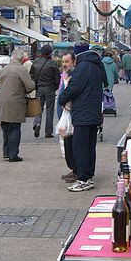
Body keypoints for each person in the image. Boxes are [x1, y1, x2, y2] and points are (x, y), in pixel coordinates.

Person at [58, 41, 105, 192]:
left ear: (77, 54)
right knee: (90, 147)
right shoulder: (96, 65)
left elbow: (73, 88)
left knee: (81, 147)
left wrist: (61, 98)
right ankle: (88, 175)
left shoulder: (83, 67)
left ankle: (83, 178)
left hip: (83, 113)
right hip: (93, 112)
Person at [0, 48, 35, 162]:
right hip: (15, 101)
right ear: (21, 58)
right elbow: (30, 86)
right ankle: (13, 154)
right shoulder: (21, 69)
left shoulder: (4, 69)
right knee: (14, 128)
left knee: (6, 127)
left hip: (3, 101)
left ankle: (6, 152)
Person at [30, 44, 60, 138]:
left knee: (38, 109)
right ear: (50, 53)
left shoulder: (35, 62)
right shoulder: (53, 63)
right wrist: (55, 87)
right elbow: (57, 78)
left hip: (39, 88)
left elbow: (31, 76)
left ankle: (37, 123)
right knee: (49, 110)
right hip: (50, 88)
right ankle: (48, 131)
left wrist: (35, 85)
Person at [58, 52, 77, 184]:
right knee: (67, 143)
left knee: (72, 144)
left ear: (74, 61)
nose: (65, 64)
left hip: (72, 113)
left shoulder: (74, 75)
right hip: (65, 113)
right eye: (63, 62)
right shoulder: (64, 75)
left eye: (67, 61)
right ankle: (73, 169)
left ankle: (76, 170)